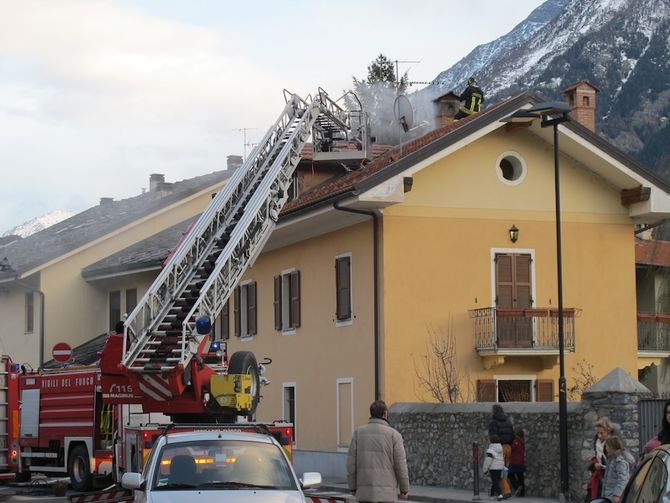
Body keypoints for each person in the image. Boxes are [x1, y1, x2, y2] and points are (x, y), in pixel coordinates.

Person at [347, 400, 410, 502]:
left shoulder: (358, 433)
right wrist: (404, 489)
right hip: (386, 496)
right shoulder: (394, 435)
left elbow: (351, 464)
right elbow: (401, 465)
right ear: (385, 414)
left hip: (365, 494)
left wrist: (352, 487)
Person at [586, 417, 618, 501]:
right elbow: (597, 456)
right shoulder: (597, 440)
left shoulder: (612, 443)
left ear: (608, 431)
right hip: (599, 475)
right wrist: (595, 463)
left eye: (602, 433)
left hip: (610, 477)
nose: (599, 435)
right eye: (598, 433)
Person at [601, 436, 633, 503]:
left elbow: (623, 479)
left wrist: (617, 495)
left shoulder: (619, 460)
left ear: (611, 446)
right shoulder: (612, 459)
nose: (606, 448)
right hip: (609, 495)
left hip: (613, 496)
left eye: (607, 446)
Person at [483, 433, 506, 500]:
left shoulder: (490, 450)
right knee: (495, 481)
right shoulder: (500, 448)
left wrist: (485, 469)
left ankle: (499, 494)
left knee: (495, 481)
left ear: (491, 441)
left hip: (493, 468)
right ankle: (492, 495)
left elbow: (488, 460)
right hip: (500, 467)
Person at [508, 427, 526, 497]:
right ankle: (522, 493)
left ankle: (517, 487)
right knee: (520, 476)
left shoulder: (516, 442)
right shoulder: (522, 441)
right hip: (521, 461)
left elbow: (511, 448)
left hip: (514, 461)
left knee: (510, 474)